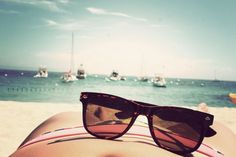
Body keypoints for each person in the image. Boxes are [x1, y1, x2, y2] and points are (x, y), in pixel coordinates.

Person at [10, 105, 236, 157]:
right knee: (202, 123)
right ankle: (196, 112)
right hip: (199, 147)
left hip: (68, 132)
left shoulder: (65, 117)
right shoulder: (218, 130)